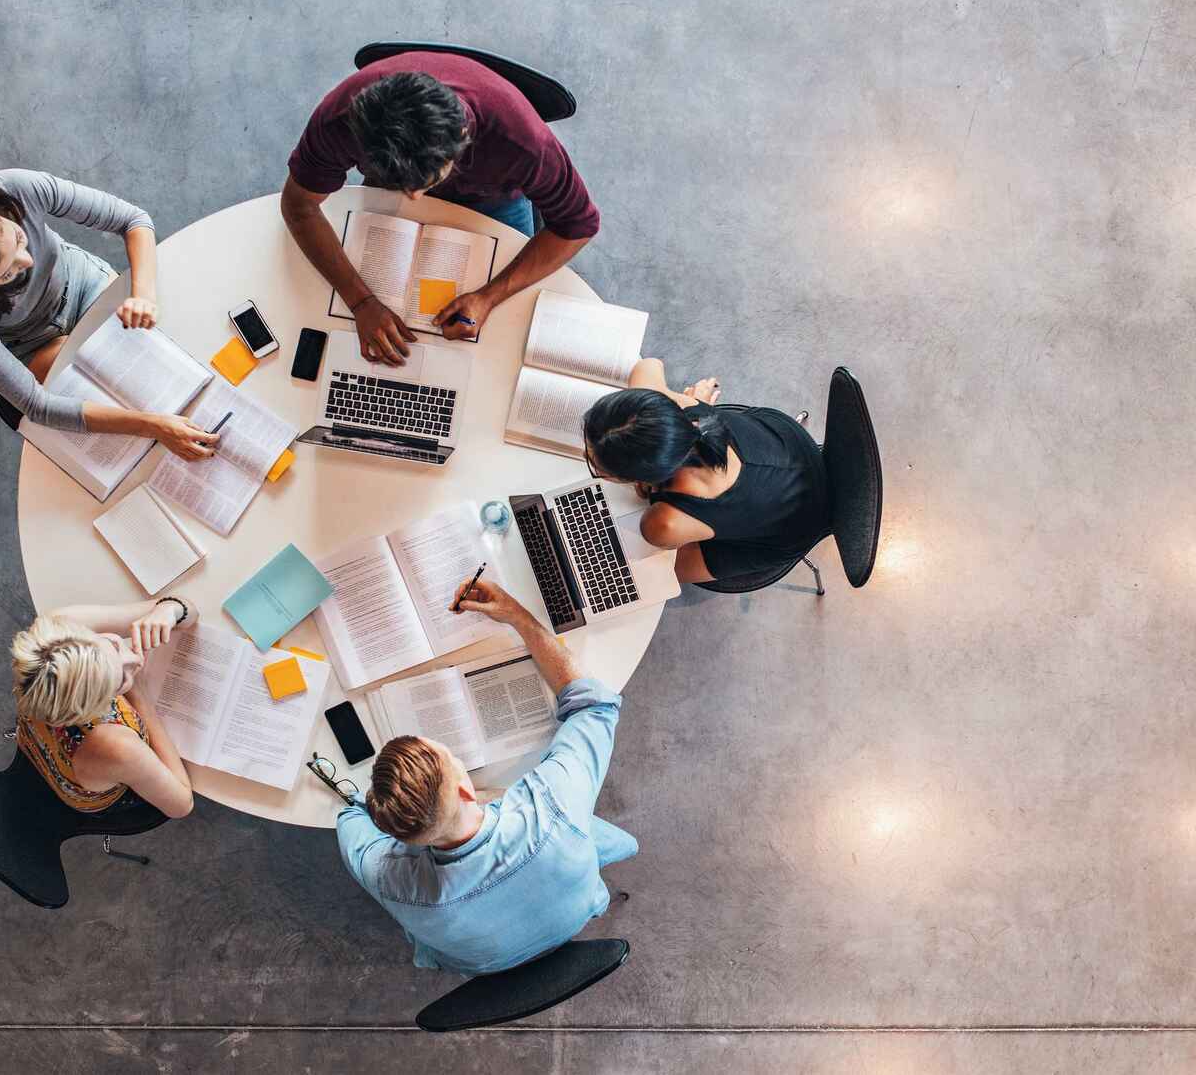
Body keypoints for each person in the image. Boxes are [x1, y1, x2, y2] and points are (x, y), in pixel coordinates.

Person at [336, 578, 636, 975]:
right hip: (575, 912)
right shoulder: (552, 807)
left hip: (483, 964)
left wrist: (373, 803)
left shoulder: (391, 880)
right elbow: (594, 707)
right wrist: (518, 616)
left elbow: (350, 821)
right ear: (465, 788)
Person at [281, 52, 600, 366]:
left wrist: (489, 297)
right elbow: (299, 206)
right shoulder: (340, 118)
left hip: (495, 198)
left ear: (463, 137)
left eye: (425, 182)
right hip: (396, 187)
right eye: (403, 185)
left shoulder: (523, 143)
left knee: (502, 334)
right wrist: (361, 301)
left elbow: (577, 225)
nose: (414, 199)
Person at [0, 171, 218, 460]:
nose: (27, 262)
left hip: (83, 286)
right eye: (6, 271)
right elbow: (36, 405)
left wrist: (143, 294)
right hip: (30, 345)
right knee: (127, 415)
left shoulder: (17, 188)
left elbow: (133, 220)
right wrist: (153, 427)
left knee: (168, 356)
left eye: (20, 240)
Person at [582, 358, 831, 584]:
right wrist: (690, 402)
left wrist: (652, 493)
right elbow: (648, 366)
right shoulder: (682, 407)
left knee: (654, 575)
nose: (585, 456)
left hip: (794, 529)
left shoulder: (662, 523)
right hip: (790, 447)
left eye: (598, 468)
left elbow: (663, 537)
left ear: (639, 478)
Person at [11, 596, 198, 819]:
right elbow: (182, 804)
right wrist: (141, 697)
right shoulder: (115, 744)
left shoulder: (62, 626)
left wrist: (170, 610)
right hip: (90, 794)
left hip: (36, 740)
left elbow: (187, 609)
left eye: (114, 644)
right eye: (121, 680)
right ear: (97, 707)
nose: (136, 660)